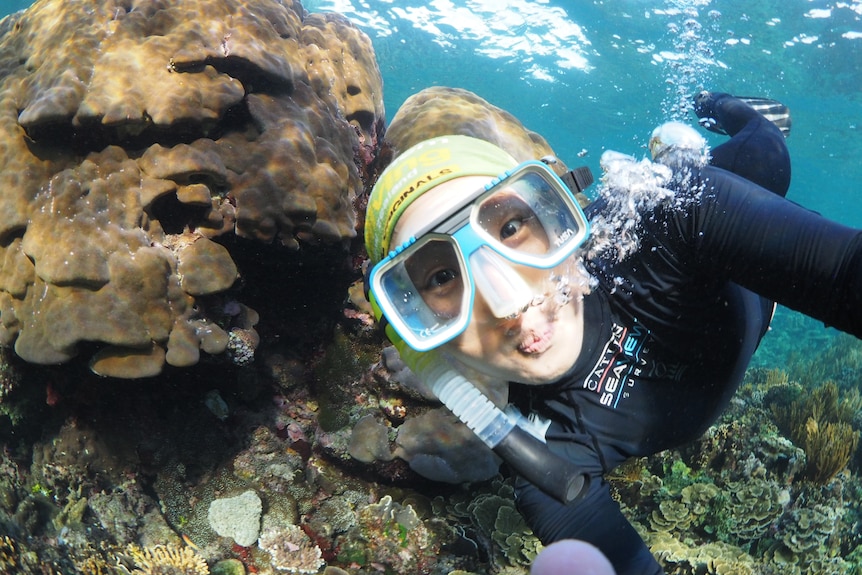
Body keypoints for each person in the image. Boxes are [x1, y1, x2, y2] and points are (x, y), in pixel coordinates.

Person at [362, 91, 862, 574]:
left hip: (727, 237)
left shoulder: (670, 217)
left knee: (767, 153)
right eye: (442, 277)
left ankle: (713, 109)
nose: (510, 303)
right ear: (417, 330)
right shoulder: (543, 458)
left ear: (555, 214)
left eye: (511, 227)